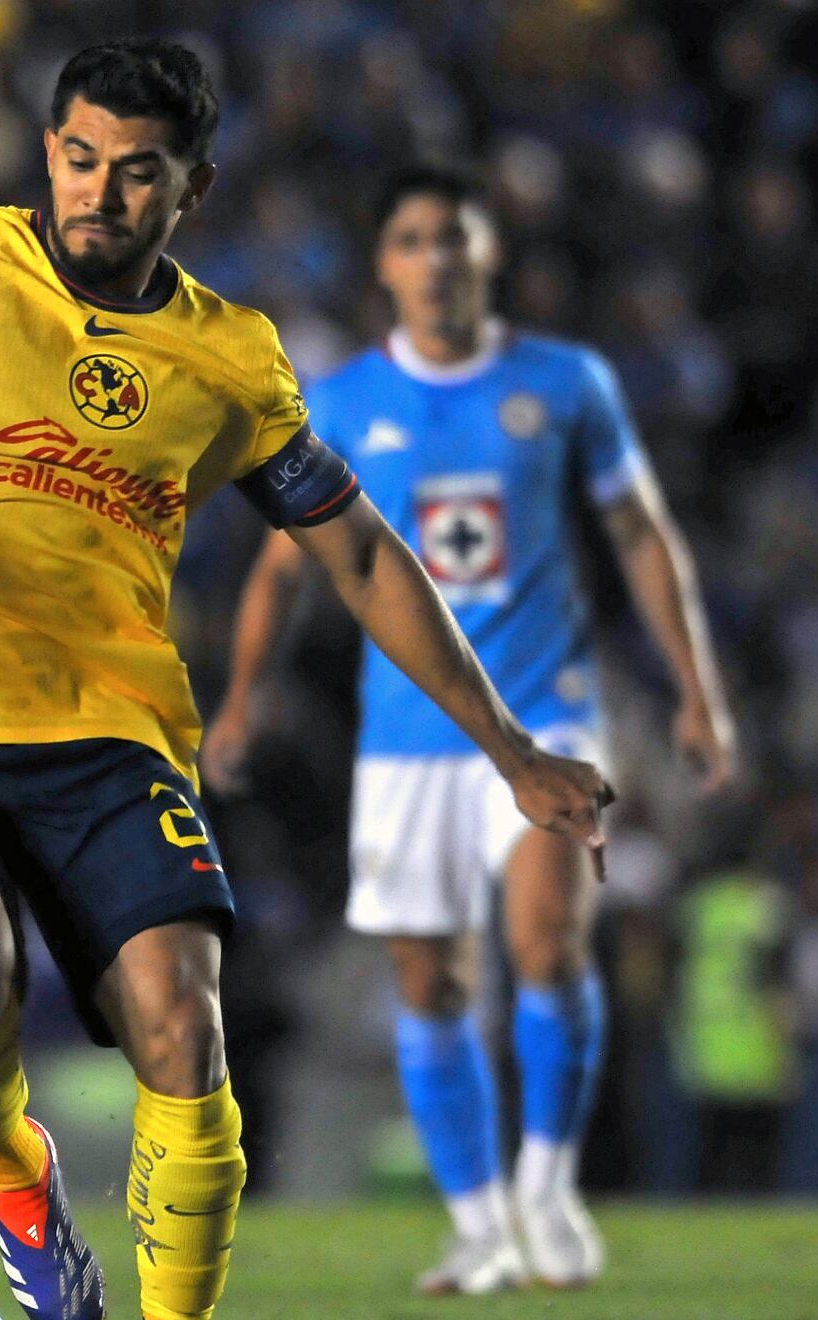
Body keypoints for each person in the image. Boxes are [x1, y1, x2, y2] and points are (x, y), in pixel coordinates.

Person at [0, 40, 610, 1320]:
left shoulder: (230, 356)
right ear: (47, 153)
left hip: (115, 739)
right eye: (79, 160)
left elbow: (357, 552)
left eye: (138, 174)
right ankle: (25, 1205)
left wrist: (513, 750)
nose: (99, 193)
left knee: (185, 1036)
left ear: (192, 189)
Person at [197, 163, 737, 1294]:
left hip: (548, 713)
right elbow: (281, 572)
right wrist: (240, 697)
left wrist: (695, 690)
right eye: (411, 238)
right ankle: (479, 1218)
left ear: (488, 253)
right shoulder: (338, 400)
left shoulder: (564, 384)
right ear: (384, 265)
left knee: (548, 943)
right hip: (404, 742)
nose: (435, 256)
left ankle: (546, 1188)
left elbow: (640, 536)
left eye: (454, 235)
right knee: (428, 983)